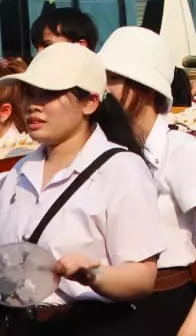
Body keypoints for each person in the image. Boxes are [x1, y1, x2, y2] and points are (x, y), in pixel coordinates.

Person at [0, 42, 164, 333]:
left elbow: (142, 278)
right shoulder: (20, 170)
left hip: (90, 324)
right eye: (29, 93)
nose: (33, 105)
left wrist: (94, 275)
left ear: (89, 102)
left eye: (49, 93)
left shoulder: (121, 169)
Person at [100, 26, 196, 336]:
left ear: (145, 87)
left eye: (113, 78)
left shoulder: (183, 150)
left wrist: (191, 326)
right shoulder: (101, 148)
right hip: (110, 303)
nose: (103, 90)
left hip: (168, 304)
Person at [30, 6, 99, 51]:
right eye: (37, 48)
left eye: (47, 46)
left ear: (80, 47)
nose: (39, 53)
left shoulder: (101, 73)